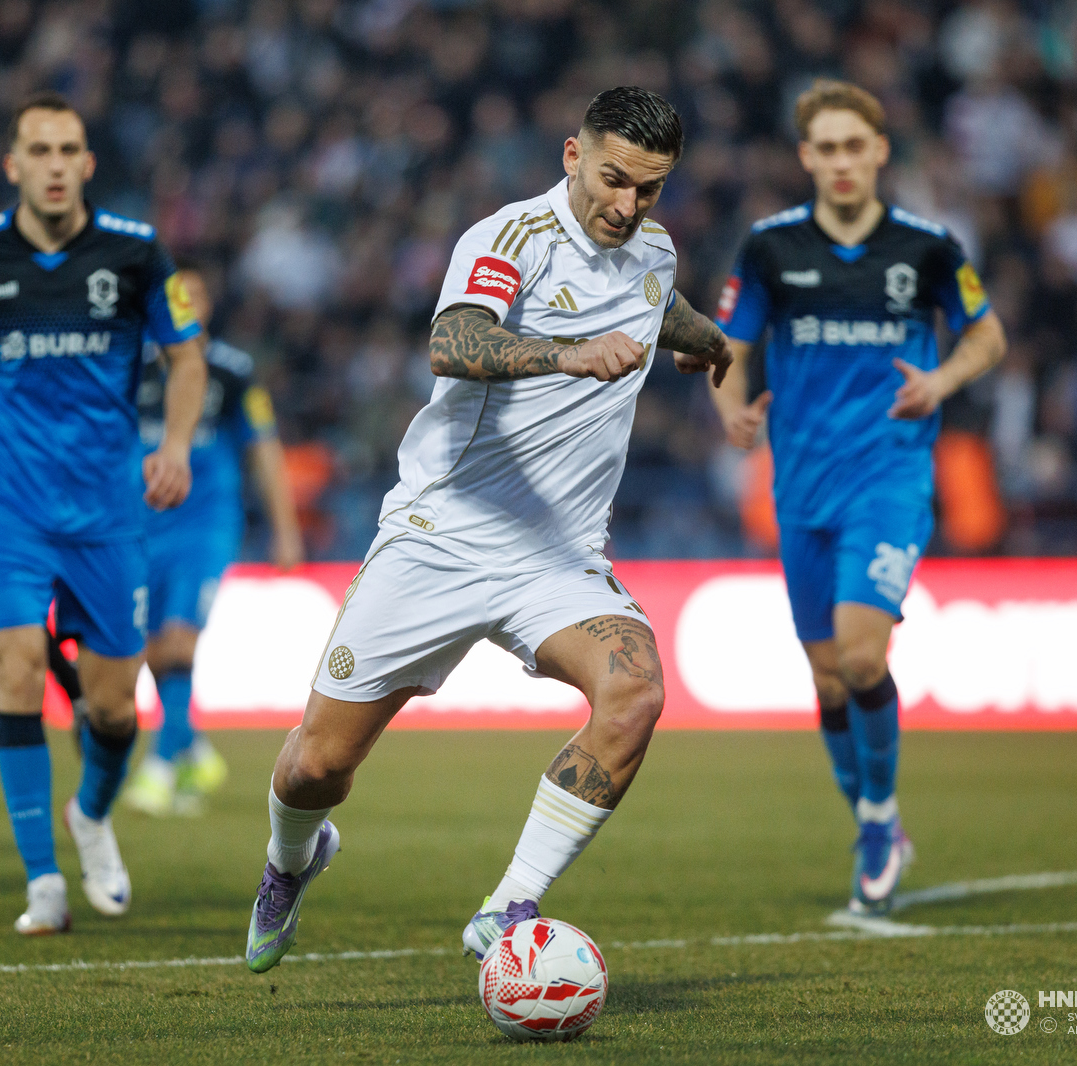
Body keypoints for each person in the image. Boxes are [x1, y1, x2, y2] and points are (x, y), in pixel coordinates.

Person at [242, 86, 733, 973]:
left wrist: (709, 341)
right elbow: (455, 342)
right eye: (614, 179)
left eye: (649, 189)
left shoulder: (654, 250)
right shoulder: (510, 239)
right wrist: (565, 354)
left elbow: (658, 304)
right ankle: (290, 860)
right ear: (572, 156)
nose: (628, 205)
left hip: (559, 559)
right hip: (441, 538)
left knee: (635, 693)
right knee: (316, 766)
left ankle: (507, 909)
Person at [0, 92, 207, 935]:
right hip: (7, 507)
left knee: (114, 709)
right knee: (16, 669)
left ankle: (89, 814)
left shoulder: (135, 252)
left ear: (86, 164)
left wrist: (174, 445)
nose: (54, 165)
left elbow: (186, 355)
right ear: (13, 165)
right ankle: (43, 883)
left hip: (106, 512)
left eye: (68, 151)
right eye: (39, 150)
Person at [709, 80, 1006, 914]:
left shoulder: (927, 248)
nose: (841, 161)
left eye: (854, 146)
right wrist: (732, 413)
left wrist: (941, 380)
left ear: (879, 152)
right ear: (807, 157)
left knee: (862, 655)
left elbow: (987, 334)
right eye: (826, 148)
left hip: (889, 478)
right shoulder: (770, 248)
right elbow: (730, 347)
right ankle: (875, 818)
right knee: (829, 679)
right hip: (801, 489)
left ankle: (877, 819)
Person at [119, 259, 305, 816]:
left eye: (196, 295)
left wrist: (285, 529)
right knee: (154, 651)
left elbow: (264, 448)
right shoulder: (129, 368)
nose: (187, 305)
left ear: (207, 305)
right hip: (139, 526)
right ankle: (193, 749)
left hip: (204, 523)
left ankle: (158, 767)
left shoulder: (230, 371)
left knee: (179, 642)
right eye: (176, 295)